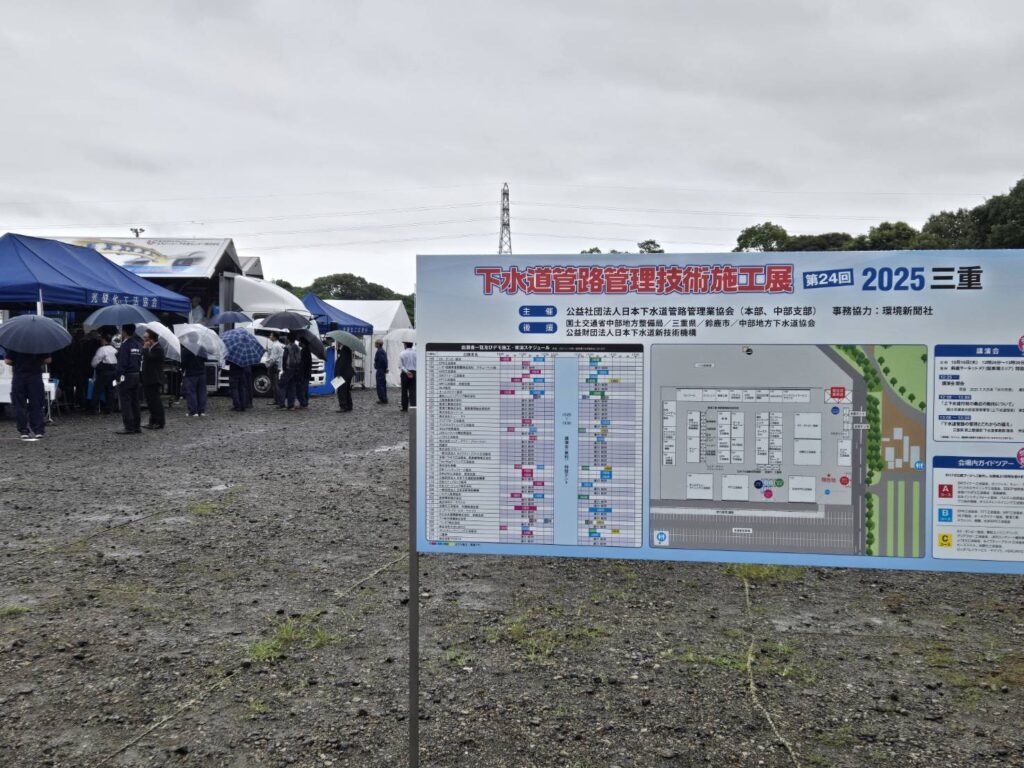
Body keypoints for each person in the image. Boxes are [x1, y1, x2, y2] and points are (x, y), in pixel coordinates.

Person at [4, 349, 50, 440]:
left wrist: (17, 363)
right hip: (35, 377)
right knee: (37, 404)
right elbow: (48, 360)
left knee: (19, 405)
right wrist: (37, 362)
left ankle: (23, 430)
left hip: (19, 377)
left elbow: (7, 361)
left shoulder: (15, 346)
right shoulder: (39, 345)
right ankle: (38, 430)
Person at [115, 324, 143, 434]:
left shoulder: (125, 345)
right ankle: (137, 426)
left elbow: (122, 363)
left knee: (126, 402)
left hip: (126, 376)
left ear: (124, 332)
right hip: (136, 375)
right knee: (135, 401)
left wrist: (118, 377)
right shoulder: (137, 344)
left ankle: (129, 427)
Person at [141, 329, 166, 430]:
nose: (144, 340)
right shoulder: (151, 348)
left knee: (155, 402)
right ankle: (152, 421)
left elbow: (150, 358)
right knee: (150, 402)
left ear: (151, 339)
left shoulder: (158, 349)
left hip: (154, 379)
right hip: (148, 378)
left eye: (146, 338)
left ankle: (159, 422)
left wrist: (145, 349)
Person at [90, 333, 117, 414]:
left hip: (104, 371)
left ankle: (94, 408)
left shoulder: (102, 349)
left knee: (97, 390)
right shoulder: (114, 349)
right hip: (113, 371)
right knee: (110, 390)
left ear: (104, 340)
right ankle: (109, 408)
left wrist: (94, 366)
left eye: (101, 339)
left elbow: (95, 361)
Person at [180, 347, 208, 417]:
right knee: (202, 392)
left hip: (191, 374)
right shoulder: (202, 348)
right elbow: (206, 359)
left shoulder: (186, 350)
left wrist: (182, 371)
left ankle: (193, 411)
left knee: (191, 392)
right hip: (202, 373)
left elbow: (183, 362)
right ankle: (201, 411)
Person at [279, 334, 302, 409]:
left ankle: (282, 404)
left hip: (288, 368)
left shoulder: (287, 347)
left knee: (282, 385)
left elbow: (284, 357)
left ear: (288, 339)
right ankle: (291, 405)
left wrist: (284, 368)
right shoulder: (297, 347)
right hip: (296, 369)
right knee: (292, 386)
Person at [265, 332, 284, 405]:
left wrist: (268, 364)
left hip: (274, 366)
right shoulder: (279, 344)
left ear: (275, 337)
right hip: (277, 366)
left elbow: (273, 358)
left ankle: (277, 400)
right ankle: (277, 400)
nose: (270, 336)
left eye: (271, 335)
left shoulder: (275, 345)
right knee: (276, 384)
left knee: (274, 384)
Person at [335, 341, 354, 412]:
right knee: (346, 390)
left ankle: (343, 406)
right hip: (347, 373)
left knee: (341, 390)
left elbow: (342, 363)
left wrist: (338, 373)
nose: (337, 343)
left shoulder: (344, 349)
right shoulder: (346, 349)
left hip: (343, 374)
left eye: (338, 342)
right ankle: (349, 405)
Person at [399, 341, 416, 411]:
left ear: (405, 345)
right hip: (414, 373)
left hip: (405, 374)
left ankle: (404, 407)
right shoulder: (416, 353)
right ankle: (413, 406)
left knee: (404, 391)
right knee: (413, 391)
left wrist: (407, 372)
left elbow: (400, 366)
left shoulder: (402, 353)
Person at [298, 337, 313, 409]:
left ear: (303, 343)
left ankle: (304, 403)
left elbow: (303, 364)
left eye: (300, 341)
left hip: (304, 373)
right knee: (305, 388)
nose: (299, 343)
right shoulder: (307, 350)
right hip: (306, 373)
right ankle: (304, 403)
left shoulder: (304, 351)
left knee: (303, 388)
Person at [373, 339, 388, 404]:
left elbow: (382, 361)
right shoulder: (382, 351)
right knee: (382, 384)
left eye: (376, 344)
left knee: (380, 385)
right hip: (381, 369)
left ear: (378, 344)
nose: (375, 345)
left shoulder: (380, 351)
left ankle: (382, 399)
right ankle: (383, 398)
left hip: (380, 370)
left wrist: (383, 368)